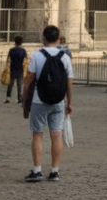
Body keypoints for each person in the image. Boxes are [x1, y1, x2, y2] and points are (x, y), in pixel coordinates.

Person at [23, 25, 73, 182]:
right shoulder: (65, 56)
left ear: (44, 38)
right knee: (57, 135)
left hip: (39, 99)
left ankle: (37, 170)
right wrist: (69, 102)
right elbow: (69, 82)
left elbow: (30, 79)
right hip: (58, 100)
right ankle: (54, 170)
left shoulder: (37, 55)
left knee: (37, 134)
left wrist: (25, 97)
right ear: (58, 39)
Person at [5, 35, 27, 103]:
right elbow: (25, 61)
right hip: (20, 69)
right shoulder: (23, 51)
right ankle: (19, 98)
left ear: (15, 42)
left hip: (12, 68)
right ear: (21, 42)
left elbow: (8, 60)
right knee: (19, 85)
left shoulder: (11, 50)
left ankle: (8, 98)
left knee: (10, 84)